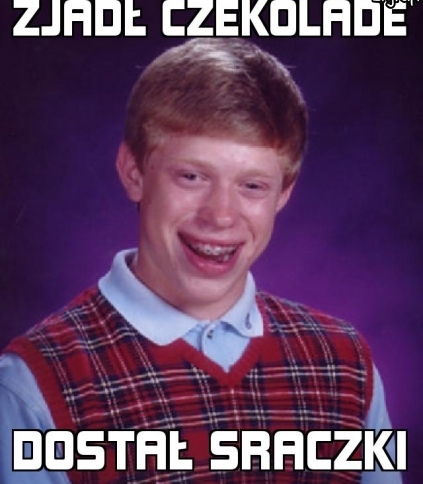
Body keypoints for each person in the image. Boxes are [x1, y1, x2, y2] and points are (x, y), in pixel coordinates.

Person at [0, 38, 401, 483]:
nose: (221, 215)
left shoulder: (344, 366)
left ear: (283, 193)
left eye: (252, 185)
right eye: (192, 176)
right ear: (134, 172)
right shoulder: (35, 384)